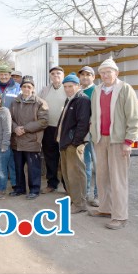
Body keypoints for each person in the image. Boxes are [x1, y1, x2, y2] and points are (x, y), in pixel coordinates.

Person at [88, 58, 138, 230]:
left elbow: (134, 117)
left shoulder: (125, 89)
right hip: (100, 140)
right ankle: (105, 208)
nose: (105, 75)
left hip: (118, 141)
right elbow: (94, 115)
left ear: (116, 73)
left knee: (118, 180)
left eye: (108, 72)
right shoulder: (97, 90)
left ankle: (120, 216)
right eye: (102, 72)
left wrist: (129, 141)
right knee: (102, 176)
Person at [56, 73, 91, 214]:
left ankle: (80, 203)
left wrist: (75, 142)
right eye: (65, 86)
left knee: (76, 174)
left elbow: (83, 123)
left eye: (70, 86)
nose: (67, 89)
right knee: (67, 174)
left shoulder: (82, 100)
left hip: (73, 144)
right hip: (65, 143)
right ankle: (74, 199)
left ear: (78, 86)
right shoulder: (70, 99)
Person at [9, 75, 49, 200]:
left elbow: (43, 121)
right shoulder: (14, 102)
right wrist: (15, 128)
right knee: (18, 167)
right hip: (17, 140)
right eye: (24, 86)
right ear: (21, 88)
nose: (26, 89)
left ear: (33, 88)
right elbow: (9, 119)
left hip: (32, 141)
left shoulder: (40, 103)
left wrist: (25, 129)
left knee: (33, 168)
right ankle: (20, 188)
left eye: (29, 87)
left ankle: (34, 189)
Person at [38, 66, 67, 194]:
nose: (56, 75)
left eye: (58, 73)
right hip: (49, 128)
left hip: (64, 128)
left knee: (65, 158)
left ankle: (68, 186)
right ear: (50, 76)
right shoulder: (45, 90)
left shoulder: (68, 88)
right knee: (50, 157)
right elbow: (37, 103)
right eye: (53, 73)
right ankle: (52, 183)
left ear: (63, 75)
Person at [79, 66, 99, 207]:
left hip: (95, 134)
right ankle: (85, 194)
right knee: (85, 165)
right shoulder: (79, 91)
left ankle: (98, 195)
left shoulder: (96, 91)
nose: (85, 77)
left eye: (88, 74)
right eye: (83, 74)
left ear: (93, 77)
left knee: (98, 166)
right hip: (82, 135)